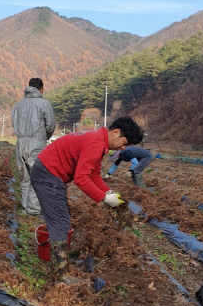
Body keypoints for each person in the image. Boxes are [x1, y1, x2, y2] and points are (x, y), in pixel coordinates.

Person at [30, 117, 143, 274]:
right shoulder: (96, 143)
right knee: (61, 222)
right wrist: (103, 198)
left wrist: (108, 191)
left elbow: (94, 174)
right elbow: (81, 178)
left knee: (61, 219)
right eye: (124, 143)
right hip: (47, 174)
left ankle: (63, 263)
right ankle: (62, 275)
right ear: (115, 132)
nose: (123, 148)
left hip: (50, 173)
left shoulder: (99, 140)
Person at [11, 78, 56, 217]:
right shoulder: (44, 104)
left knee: (24, 177)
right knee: (38, 177)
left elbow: (14, 124)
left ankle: (25, 207)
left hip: (21, 143)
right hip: (37, 143)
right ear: (41, 89)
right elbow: (50, 125)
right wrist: (44, 138)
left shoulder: (18, 105)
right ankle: (34, 210)